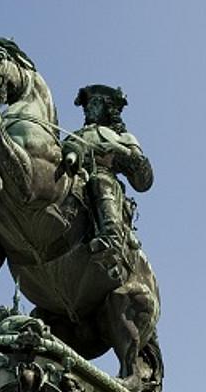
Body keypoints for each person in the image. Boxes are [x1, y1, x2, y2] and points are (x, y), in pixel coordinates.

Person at [62, 85, 153, 273]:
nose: (88, 108)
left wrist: (118, 151)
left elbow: (143, 181)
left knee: (100, 180)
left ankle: (111, 242)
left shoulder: (123, 137)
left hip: (103, 180)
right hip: (70, 175)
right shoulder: (74, 135)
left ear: (108, 108)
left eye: (94, 103)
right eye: (87, 105)